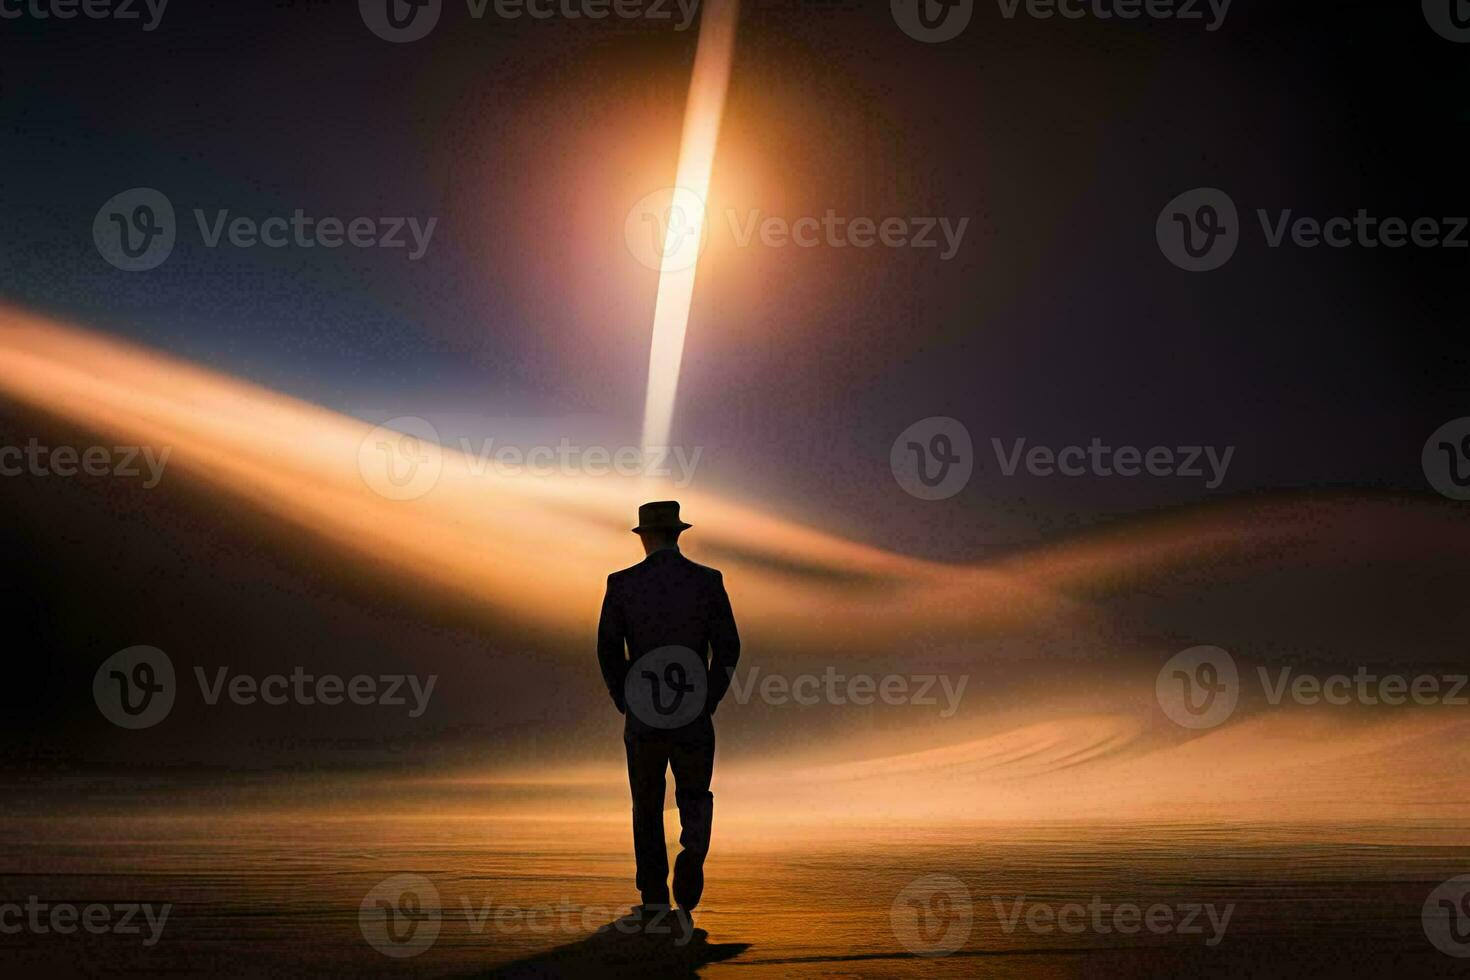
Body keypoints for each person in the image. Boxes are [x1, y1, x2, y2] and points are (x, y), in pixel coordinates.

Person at [597, 500, 740, 936]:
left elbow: (607, 650)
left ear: (644, 536)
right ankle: (693, 849)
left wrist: (626, 698)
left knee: (646, 803)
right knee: (695, 793)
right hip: (693, 711)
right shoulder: (708, 581)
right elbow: (729, 647)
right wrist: (709, 695)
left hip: (644, 715)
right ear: (678, 534)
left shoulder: (621, 584)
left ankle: (654, 896)